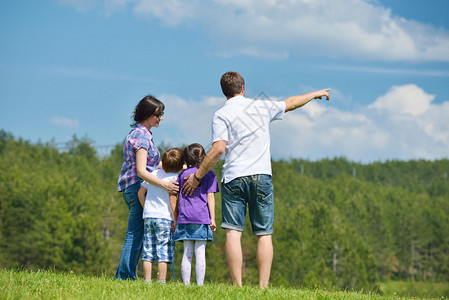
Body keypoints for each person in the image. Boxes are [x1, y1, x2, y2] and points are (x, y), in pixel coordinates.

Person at [182, 71, 330, 288]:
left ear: (224, 92)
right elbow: (291, 103)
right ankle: (263, 287)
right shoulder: (260, 107)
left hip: (234, 177)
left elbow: (218, 148)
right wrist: (315, 94)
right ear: (243, 88)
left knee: (233, 233)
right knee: (264, 234)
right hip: (261, 176)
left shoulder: (221, 114)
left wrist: (197, 177)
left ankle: (238, 287)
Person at [115, 95, 179, 280]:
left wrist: (180, 168)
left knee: (138, 233)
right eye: (158, 115)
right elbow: (142, 172)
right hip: (137, 187)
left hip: (134, 187)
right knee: (135, 234)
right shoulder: (141, 137)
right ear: (147, 114)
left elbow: (153, 166)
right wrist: (165, 185)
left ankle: (126, 275)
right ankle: (124, 277)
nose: (161, 118)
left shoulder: (141, 134)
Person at [170, 143, 219, 286]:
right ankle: (199, 285)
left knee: (187, 252)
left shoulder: (181, 175)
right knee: (200, 253)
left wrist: (175, 219)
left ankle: (186, 285)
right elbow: (210, 197)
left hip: (184, 218)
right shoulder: (209, 174)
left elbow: (175, 197)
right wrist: (213, 218)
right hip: (202, 219)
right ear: (203, 156)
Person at [138, 148, 184, 284]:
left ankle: (147, 281)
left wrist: (146, 209)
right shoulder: (176, 179)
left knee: (148, 250)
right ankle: (161, 282)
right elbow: (172, 201)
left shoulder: (153, 174)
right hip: (165, 218)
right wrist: (176, 220)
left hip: (149, 216)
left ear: (162, 163)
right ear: (180, 166)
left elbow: (140, 193)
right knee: (163, 251)